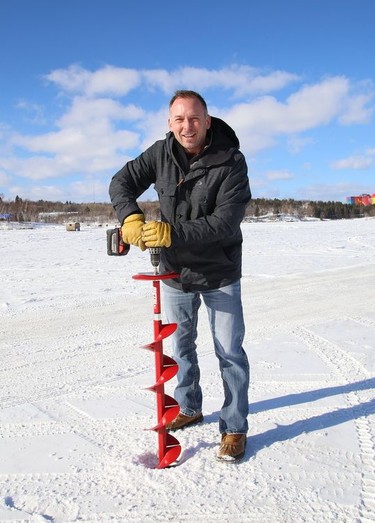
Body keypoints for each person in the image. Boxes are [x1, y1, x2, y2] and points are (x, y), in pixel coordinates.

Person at [109, 90, 251, 462]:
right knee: (180, 347)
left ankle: (234, 427)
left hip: (219, 271)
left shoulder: (231, 161)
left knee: (230, 352)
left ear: (207, 121)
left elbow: (224, 222)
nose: (186, 126)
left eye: (193, 119)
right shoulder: (160, 153)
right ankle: (189, 407)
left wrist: (173, 233)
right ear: (169, 124)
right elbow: (121, 183)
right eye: (178, 120)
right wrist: (130, 216)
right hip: (174, 272)